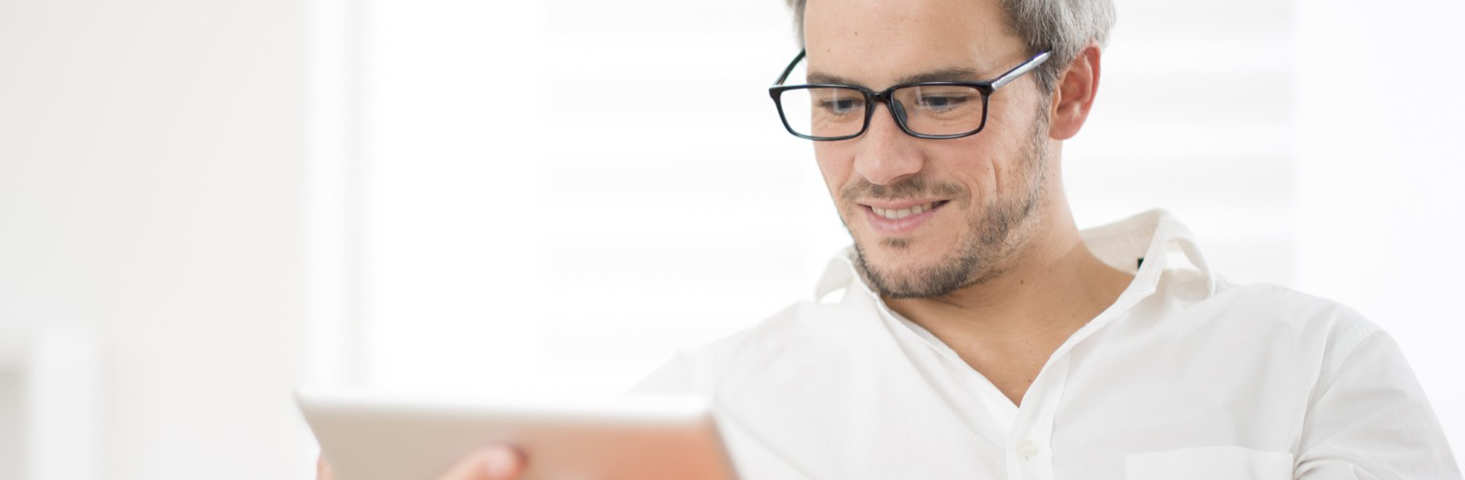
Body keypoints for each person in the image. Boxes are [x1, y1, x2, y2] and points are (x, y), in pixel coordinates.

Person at [318, 0, 1462, 478]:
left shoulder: (1312, 373)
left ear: (1069, 91)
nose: (878, 161)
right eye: (837, 101)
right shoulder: (699, 421)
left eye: (936, 98)